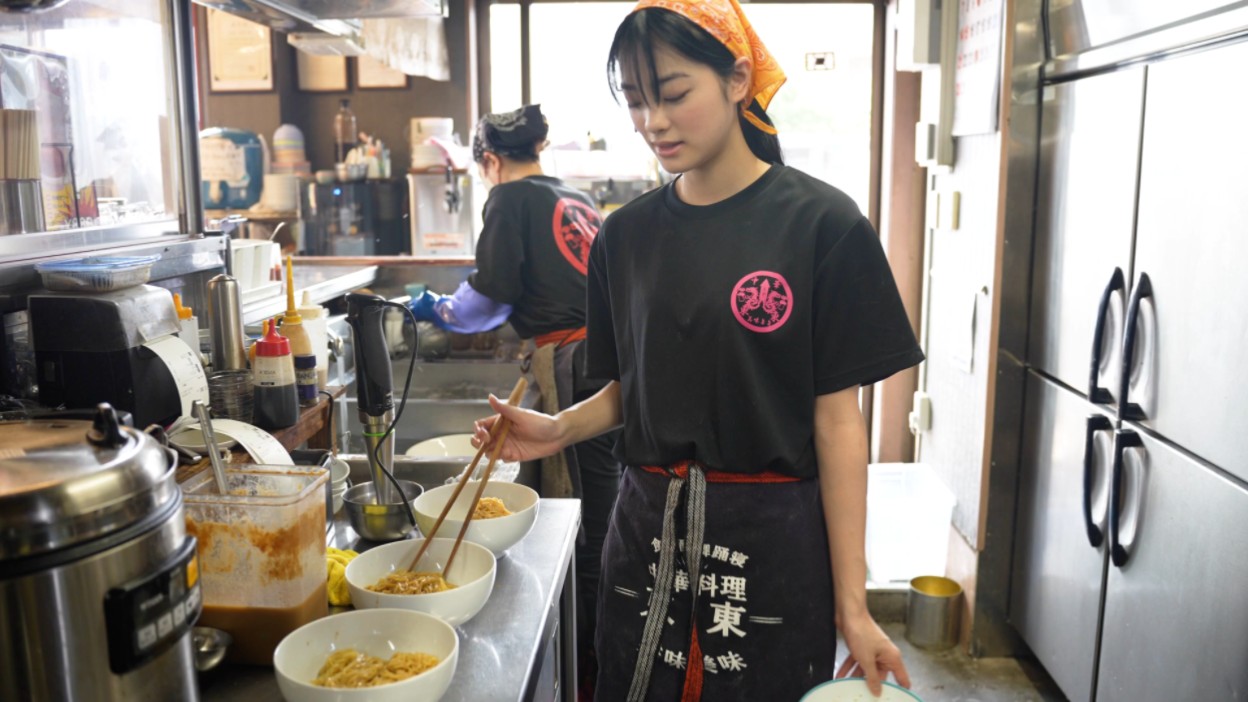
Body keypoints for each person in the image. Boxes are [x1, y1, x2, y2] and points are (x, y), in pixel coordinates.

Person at [472, 2, 921, 701]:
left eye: (674, 94)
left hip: (771, 550)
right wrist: (559, 429)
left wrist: (853, 605)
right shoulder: (625, 240)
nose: (654, 122)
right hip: (645, 542)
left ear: (738, 79)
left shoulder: (822, 226)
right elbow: (637, 388)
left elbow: (838, 424)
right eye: (636, 102)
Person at [407, 104, 621, 695]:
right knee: (601, 509)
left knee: (579, 518)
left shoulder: (507, 199)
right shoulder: (572, 197)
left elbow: (491, 300)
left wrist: (440, 308)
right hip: (608, 368)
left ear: (492, 161)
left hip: (571, 370)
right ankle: (599, 657)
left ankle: (589, 667)